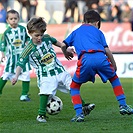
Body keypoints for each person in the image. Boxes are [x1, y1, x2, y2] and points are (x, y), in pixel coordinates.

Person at [11, 17, 95, 123]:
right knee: (45, 92)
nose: (39, 38)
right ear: (30, 33)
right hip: (45, 74)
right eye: (36, 35)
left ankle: (83, 106)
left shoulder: (47, 38)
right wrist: (16, 76)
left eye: (41, 35)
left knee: (72, 86)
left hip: (59, 70)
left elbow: (57, 43)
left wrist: (66, 48)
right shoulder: (28, 48)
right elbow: (20, 63)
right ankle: (41, 115)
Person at [63, 10, 133, 122]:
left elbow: (63, 44)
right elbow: (107, 50)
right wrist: (114, 65)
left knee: (74, 87)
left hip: (85, 58)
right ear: (97, 23)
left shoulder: (76, 32)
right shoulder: (99, 32)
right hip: (101, 57)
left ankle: (79, 114)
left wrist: (66, 52)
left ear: (83, 21)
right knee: (114, 78)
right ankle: (123, 105)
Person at [0, 9, 31, 101]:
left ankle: (24, 95)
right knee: (6, 74)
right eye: (11, 19)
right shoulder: (6, 32)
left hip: (23, 56)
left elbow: (27, 39)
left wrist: (28, 44)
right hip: (11, 58)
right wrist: (2, 54)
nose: (13, 20)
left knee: (26, 74)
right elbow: (2, 44)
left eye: (15, 18)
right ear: (7, 20)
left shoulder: (22, 29)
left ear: (18, 19)